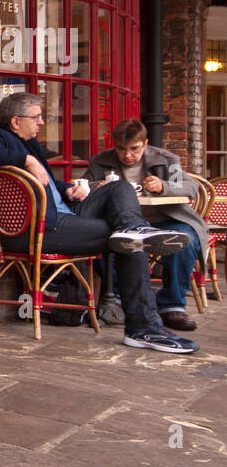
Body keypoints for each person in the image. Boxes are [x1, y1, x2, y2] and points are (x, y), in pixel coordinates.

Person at [0, 92, 198, 354]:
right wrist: (27, 161)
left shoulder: (30, 143)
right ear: (16, 121)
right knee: (128, 242)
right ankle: (143, 328)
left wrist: (67, 190)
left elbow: (46, 188)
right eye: (36, 117)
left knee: (120, 189)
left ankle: (134, 228)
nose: (42, 122)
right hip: (37, 229)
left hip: (61, 215)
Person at [83, 119, 207, 333]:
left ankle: (172, 306)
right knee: (104, 239)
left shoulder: (166, 160)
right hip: (123, 221)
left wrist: (163, 186)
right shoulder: (101, 161)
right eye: (121, 149)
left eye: (134, 149)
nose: (127, 155)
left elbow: (189, 187)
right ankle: (118, 299)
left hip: (165, 219)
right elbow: (85, 185)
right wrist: (98, 187)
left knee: (185, 241)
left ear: (145, 143)